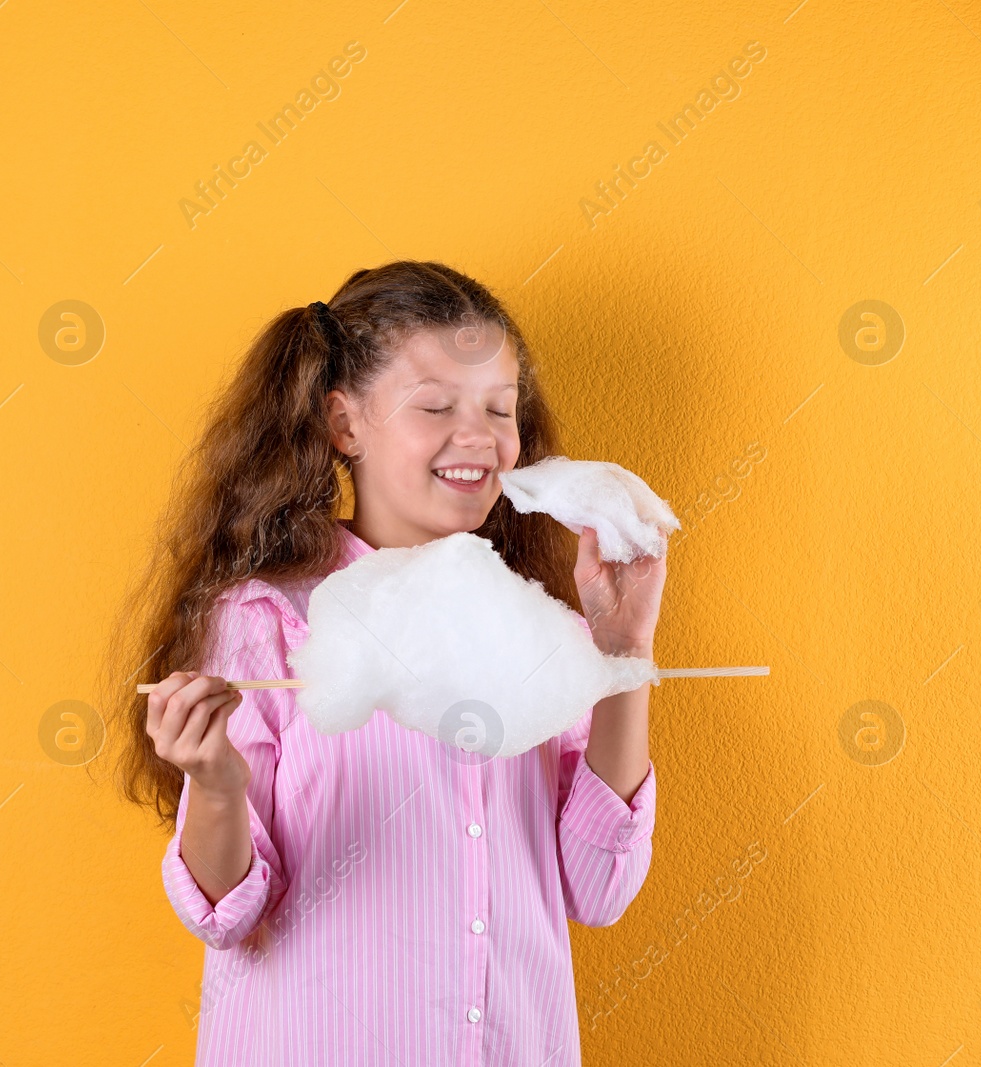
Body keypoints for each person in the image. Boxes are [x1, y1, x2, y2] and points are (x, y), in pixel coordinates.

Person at [104, 260, 667, 1066]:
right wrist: (217, 785)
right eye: (435, 405)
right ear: (345, 424)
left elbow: (599, 888)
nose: (478, 436)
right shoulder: (268, 621)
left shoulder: (542, 631)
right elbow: (226, 913)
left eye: (498, 409)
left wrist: (622, 655)